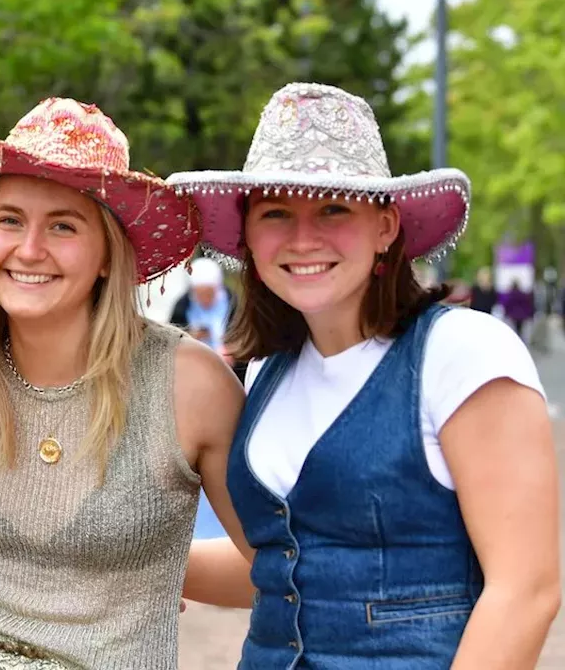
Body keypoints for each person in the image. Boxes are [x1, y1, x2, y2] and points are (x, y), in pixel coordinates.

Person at [170, 82, 560, 668]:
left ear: (386, 227)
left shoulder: (464, 353)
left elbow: (526, 592)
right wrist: (143, 563)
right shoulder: (269, 373)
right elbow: (280, 570)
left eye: (333, 208)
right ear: (248, 236)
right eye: (276, 212)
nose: (303, 238)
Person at [0, 98, 243, 669]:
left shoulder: (189, 384)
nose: (30, 249)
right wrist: (82, 579)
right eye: (9, 220)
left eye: (63, 225)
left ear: (110, 255)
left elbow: (277, 571)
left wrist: (142, 577)